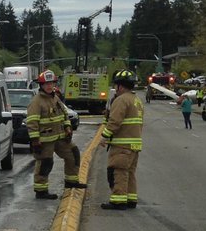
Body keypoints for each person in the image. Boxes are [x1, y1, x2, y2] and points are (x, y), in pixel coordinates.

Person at [25, 70, 85, 199]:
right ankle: (41, 190)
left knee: (73, 153)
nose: (49, 86)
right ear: (41, 85)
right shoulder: (36, 101)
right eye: (46, 84)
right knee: (45, 163)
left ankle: (71, 181)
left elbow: (64, 114)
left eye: (51, 83)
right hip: (44, 140)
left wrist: (68, 126)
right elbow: (32, 122)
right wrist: (35, 140)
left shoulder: (55, 98)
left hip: (60, 137)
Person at [98, 70, 144, 209]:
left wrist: (104, 136)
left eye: (116, 85)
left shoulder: (121, 100)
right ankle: (131, 199)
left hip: (122, 145)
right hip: (134, 145)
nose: (115, 89)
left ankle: (118, 200)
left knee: (119, 171)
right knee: (129, 172)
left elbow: (114, 122)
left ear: (120, 86)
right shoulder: (136, 100)